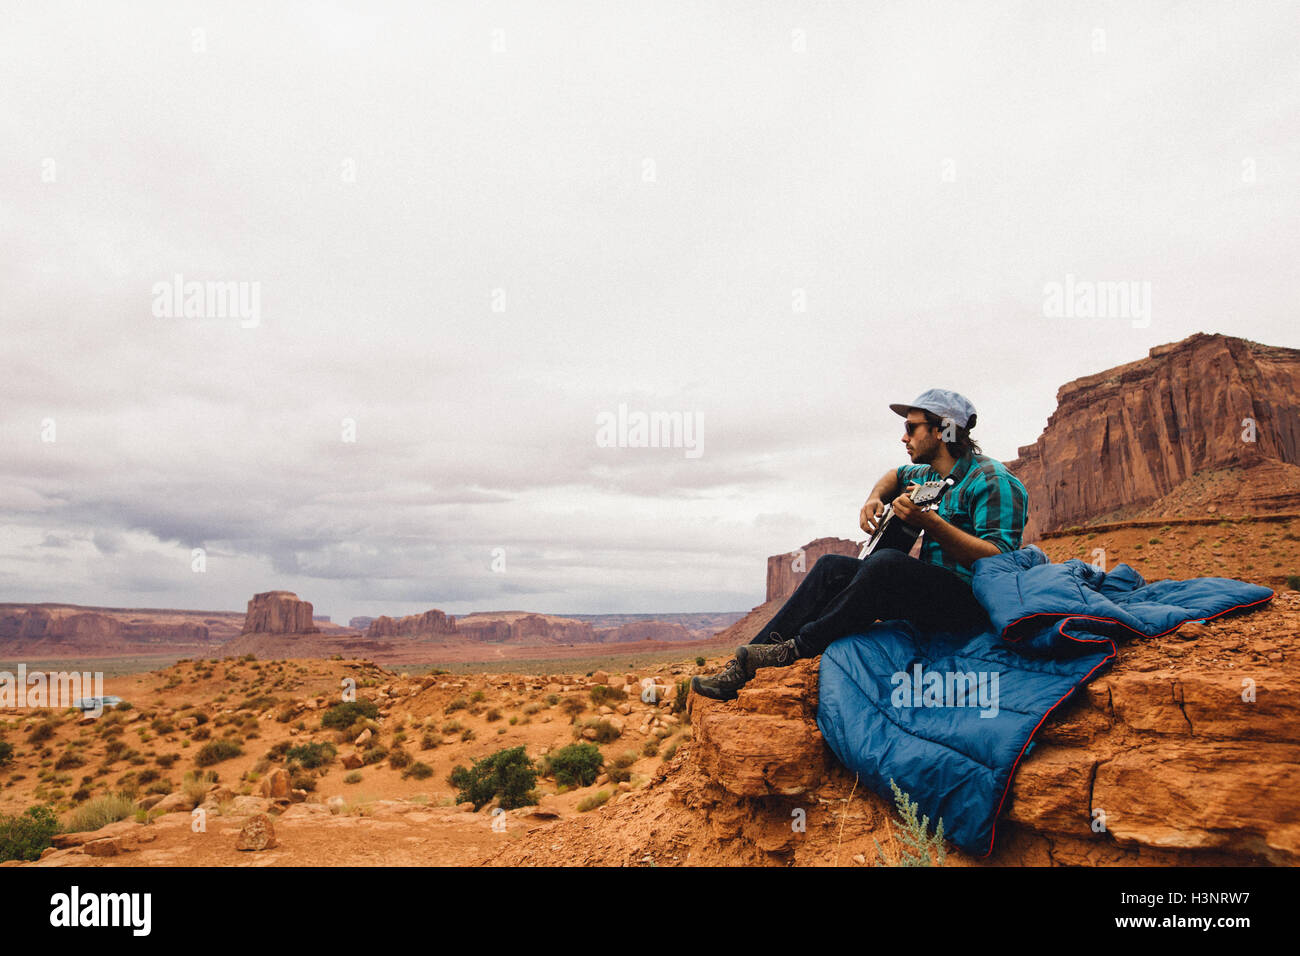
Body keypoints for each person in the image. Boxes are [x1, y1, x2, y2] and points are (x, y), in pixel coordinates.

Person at [691, 389, 1029, 701]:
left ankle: (797, 649)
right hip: (930, 595)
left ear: (943, 431)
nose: (904, 436)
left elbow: (999, 559)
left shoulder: (992, 481)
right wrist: (874, 498)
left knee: (887, 564)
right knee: (831, 567)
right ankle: (746, 664)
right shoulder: (928, 474)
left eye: (912, 428)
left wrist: (930, 523)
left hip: (970, 605)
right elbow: (894, 475)